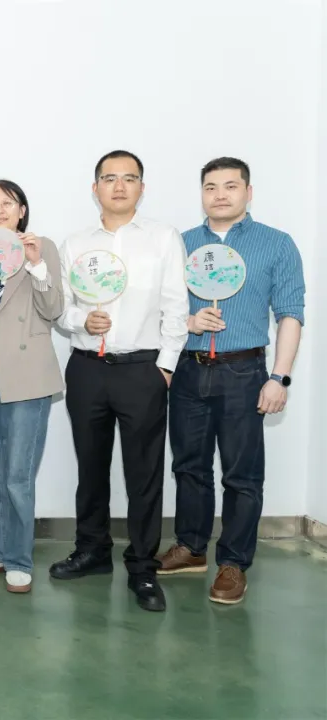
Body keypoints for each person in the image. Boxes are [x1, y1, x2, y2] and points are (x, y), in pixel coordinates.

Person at [158, 157, 305, 605]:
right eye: (210, 187)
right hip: (188, 368)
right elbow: (161, 310)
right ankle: (191, 546)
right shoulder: (181, 244)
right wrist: (189, 322)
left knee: (242, 474)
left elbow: (290, 314)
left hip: (244, 372)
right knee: (189, 466)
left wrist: (279, 377)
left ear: (248, 192)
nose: (220, 194)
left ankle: (234, 562)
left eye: (230, 186)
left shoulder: (276, 244)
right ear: (201, 193)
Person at [50, 150, 189, 612]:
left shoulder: (163, 238)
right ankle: (92, 550)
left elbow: (176, 306)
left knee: (143, 473)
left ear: (141, 188)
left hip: (142, 370)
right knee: (90, 467)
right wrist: (81, 321)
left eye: (129, 178)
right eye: (109, 178)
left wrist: (165, 367)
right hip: (87, 367)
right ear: (95, 189)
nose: (119, 186)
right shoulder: (75, 244)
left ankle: (143, 566)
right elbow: (62, 307)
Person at [0, 180, 63, 593]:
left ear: (22, 210)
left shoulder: (42, 248)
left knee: (18, 473)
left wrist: (36, 266)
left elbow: (54, 310)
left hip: (28, 373)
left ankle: (19, 558)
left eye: (7, 202)